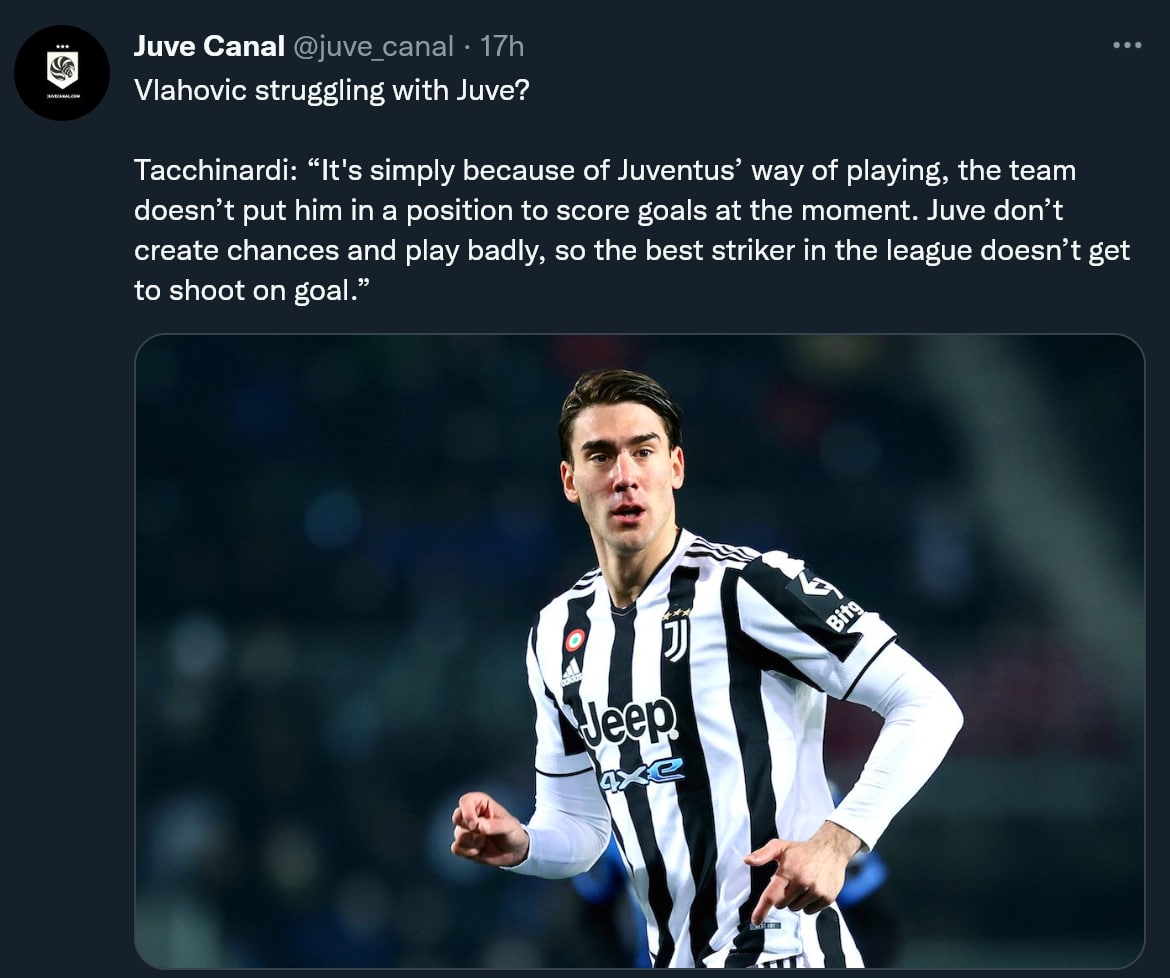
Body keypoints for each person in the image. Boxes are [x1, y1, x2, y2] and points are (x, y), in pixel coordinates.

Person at [451, 368, 962, 968]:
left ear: (676, 467)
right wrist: (522, 844)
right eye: (600, 455)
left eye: (643, 451)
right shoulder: (556, 633)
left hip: (783, 954)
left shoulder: (748, 587)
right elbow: (580, 831)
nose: (624, 475)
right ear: (570, 479)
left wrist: (837, 841)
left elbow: (930, 707)